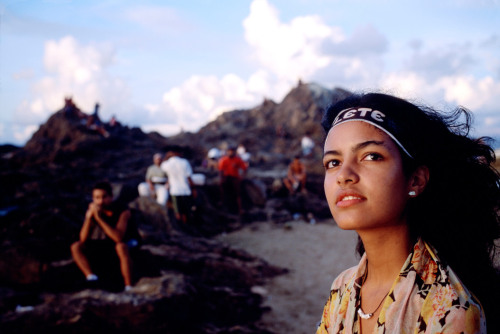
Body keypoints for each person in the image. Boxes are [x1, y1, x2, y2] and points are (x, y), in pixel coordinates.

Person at [317, 93, 499, 333]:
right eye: (333, 162)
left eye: (371, 156)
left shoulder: (449, 312)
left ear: (415, 180)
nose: (344, 175)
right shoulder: (342, 288)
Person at [70, 181, 135, 291]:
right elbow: (83, 239)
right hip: (102, 244)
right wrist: (89, 218)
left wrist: (100, 219)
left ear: (111, 197)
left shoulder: (122, 210)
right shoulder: (94, 210)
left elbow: (118, 237)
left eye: (104, 197)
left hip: (123, 242)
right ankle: (91, 277)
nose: (100, 201)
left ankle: (128, 285)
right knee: (76, 247)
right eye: (97, 198)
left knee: (121, 247)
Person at [161, 149, 196, 224]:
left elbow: (162, 166)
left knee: (178, 211)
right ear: (177, 153)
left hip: (175, 191)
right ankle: (188, 226)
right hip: (185, 190)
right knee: (187, 211)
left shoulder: (167, 163)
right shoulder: (184, 162)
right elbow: (189, 177)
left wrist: (166, 156)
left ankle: (181, 227)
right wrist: (193, 189)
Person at [218, 146, 248, 214]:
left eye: (232, 151)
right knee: (222, 188)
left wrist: (242, 177)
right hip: (226, 177)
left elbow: (244, 168)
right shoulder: (224, 160)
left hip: (235, 177)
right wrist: (222, 179)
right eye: (229, 151)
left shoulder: (238, 160)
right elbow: (221, 170)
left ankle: (240, 209)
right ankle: (222, 203)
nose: (231, 152)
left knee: (238, 193)